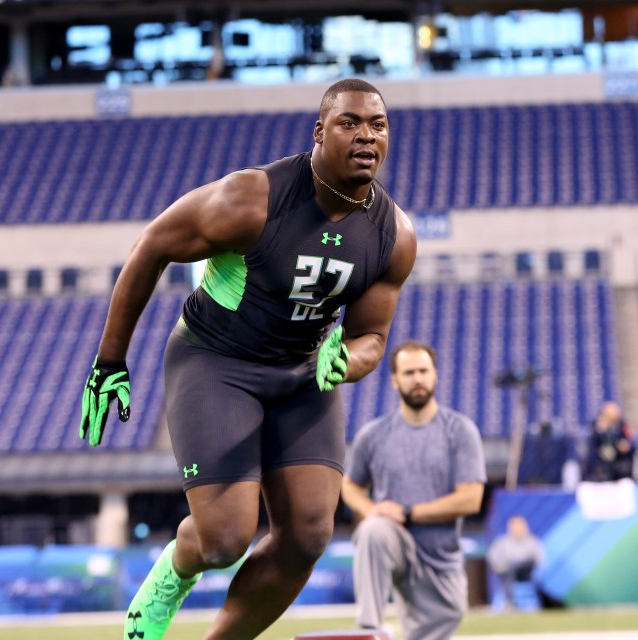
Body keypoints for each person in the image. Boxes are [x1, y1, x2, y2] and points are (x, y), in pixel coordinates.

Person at [78, 78, 417, 640]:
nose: (366, 136)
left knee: (308, 536)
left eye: (377, 125)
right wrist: (110, 360)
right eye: (349, 123)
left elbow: (372, 338)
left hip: (304, 373)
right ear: (319, 133)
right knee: (224, 539)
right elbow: (153, 245)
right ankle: (172, 573)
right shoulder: (252, 198)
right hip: (218, 363)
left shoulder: (394, 235)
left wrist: (345, 363)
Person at [341, 341, 486, 640]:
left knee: (441, 623)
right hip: (395, 544)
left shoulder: (459, 431)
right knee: (373, 530)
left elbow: (471, 499)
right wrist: (373, 511)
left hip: (440, 559)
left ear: (435, 376)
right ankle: (368, 631)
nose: (417, 378)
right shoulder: (373, 435)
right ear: (395, 380)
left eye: (423, 371)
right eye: (409, 372)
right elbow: (349, 486)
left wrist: (408, 512)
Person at [485, 515, 544, 611]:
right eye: (515, 526)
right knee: (508, 570)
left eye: (520, 526)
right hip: (507, 571)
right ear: (510, 528)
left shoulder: (532, 541)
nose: (518, 529)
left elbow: (539, 559)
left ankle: (510, 602)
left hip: (526, 571)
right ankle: (509, 603)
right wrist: (500, 566)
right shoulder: (502, 542)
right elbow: (492, 557)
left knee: (516, 565)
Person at [584, 401, 637, 482]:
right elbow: (593, 447)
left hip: (618, 466)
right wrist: (601, 431)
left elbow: (632, 442)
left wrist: (626, 446)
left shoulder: (622, 426)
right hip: (600, 467)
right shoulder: (596, 427)